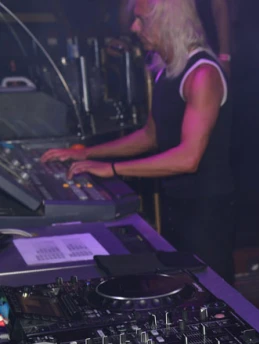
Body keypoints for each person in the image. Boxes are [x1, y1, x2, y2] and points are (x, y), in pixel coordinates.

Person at [41, 0, 235, 283]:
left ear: (168, 22)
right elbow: (151, 136)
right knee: (181, 291)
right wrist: (84, 154)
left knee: (215, 297)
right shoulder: (166, 69)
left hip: (207, 212)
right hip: (177, 205)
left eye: (142, 20)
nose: (134, 27)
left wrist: (112, 169)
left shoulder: (202, 74)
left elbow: (188, 158)